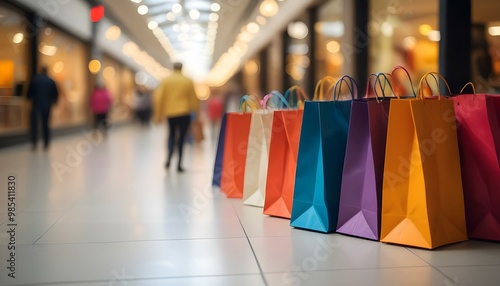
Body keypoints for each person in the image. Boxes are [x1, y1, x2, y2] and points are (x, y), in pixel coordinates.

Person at [153, 62, 200, 172]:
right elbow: (194, 99)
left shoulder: (166, 81)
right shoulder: (188, 81)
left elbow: (159, 99)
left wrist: (158, 116)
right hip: (184, 112)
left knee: (171, 135)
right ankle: (179, 164)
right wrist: (196, 114)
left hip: (170, 113)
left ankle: (169, 158)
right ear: (182, 68)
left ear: (173, 68)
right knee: (182, 138)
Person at [27, 66, 59, 150]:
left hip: (36, 104)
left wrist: (29, 99)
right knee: (46, 124)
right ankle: (46, 143)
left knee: (35, 124)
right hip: (47, 105)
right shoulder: (50, 81)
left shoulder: (35, 79)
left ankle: (34, 143)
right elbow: (55, 94)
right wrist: (54, 102)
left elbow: (29, 92)